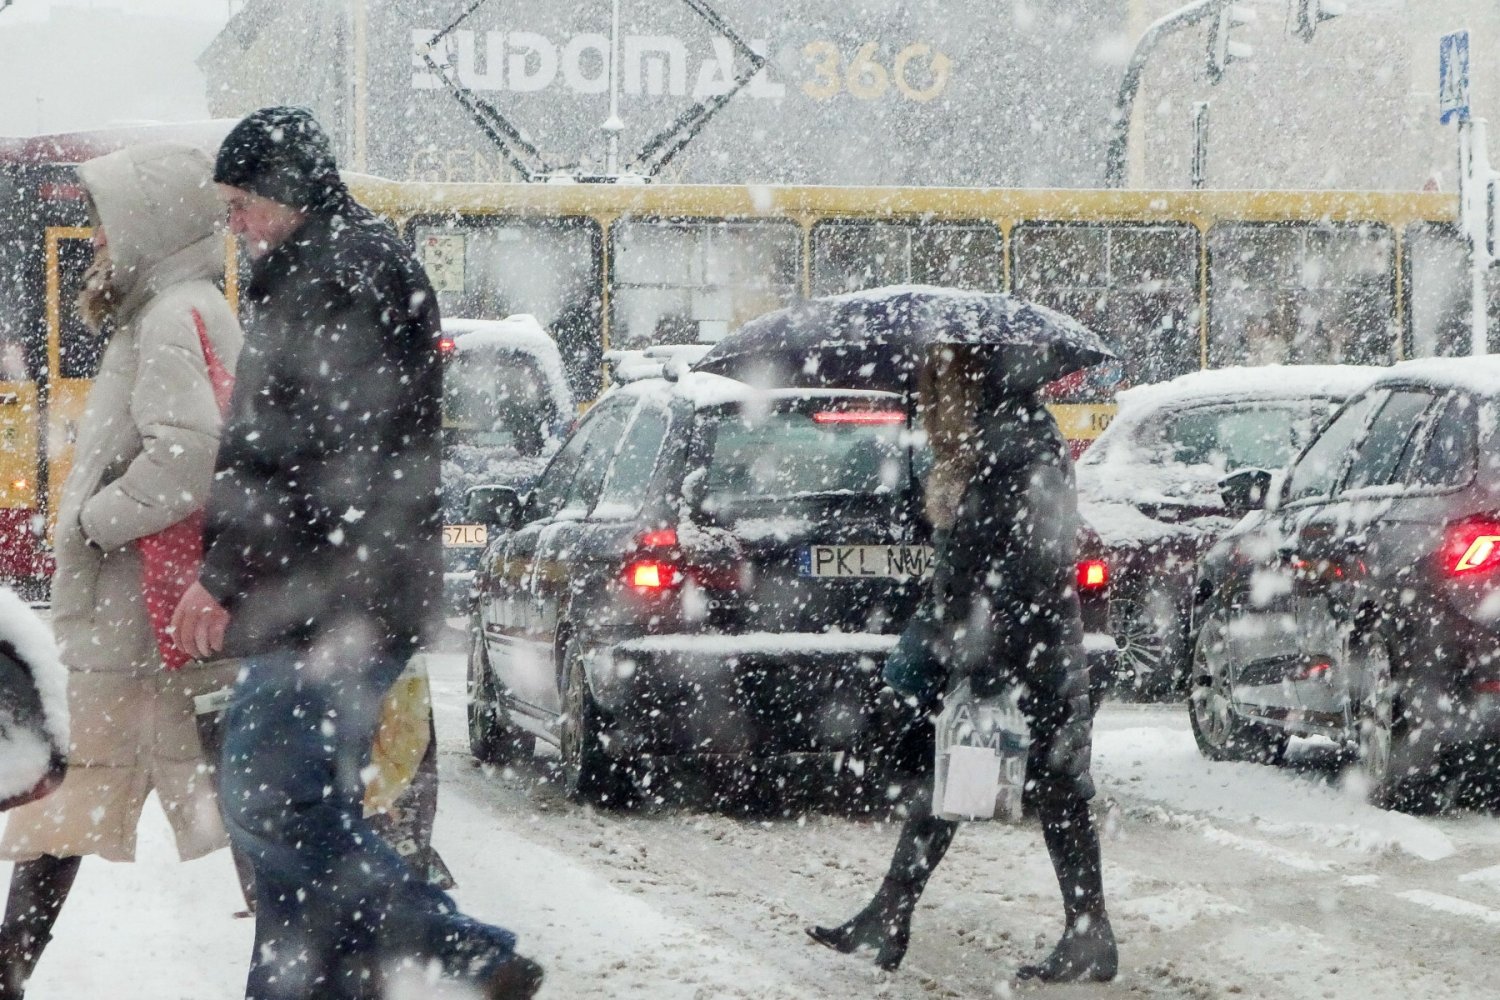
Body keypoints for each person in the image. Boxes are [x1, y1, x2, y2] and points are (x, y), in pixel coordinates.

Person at [169, 107, 541, 1000]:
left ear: (286, 195)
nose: (236, 224)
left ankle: (457, 945)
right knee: (308, 813)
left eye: (242, 203)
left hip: (331, 596)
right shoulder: (349, 261)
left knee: (270, 798)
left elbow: (300, 452)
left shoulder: (330, 279)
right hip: (351, 587)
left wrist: (221, 577)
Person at [0, 141, 245, 998]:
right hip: (145, 622)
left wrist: (95, 523)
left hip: (140, 625)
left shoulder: (172, 314)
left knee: (68, 808)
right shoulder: (173, 308)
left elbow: (189, 457)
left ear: (149, 221)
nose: (97, 239)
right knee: (234, 807)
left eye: (106, 222)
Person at [806, 344, 1118, 983]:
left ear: (966, 378)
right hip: (1017, 641)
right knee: (960, 773)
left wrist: (983, 642)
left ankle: (1087, 936)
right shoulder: (1000, 437)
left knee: (1044, 785)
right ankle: (892, 916)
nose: (925, 392)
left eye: (934, 377)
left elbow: (1022, 557)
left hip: (1022, 646)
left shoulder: (1013, 442)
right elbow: (984, 556)